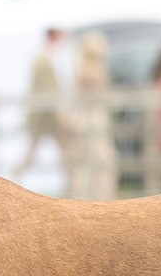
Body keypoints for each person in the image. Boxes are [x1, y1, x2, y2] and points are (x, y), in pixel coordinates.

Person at [15, 26, 76, 189]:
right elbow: (47, 90)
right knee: (62, 152)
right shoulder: (43, 59)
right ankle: (73, 187)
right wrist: (60, 114)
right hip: (46, 116)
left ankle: (73, 186)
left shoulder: (45, 58)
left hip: (46, 115)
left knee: (62, 153)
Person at [70, 32, 118, 199]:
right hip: (92, 120)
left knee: (90, 162)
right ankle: (101, 197)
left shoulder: (83, 70)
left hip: (89, 119)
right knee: (100, 161)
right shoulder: (91, 72)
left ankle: (95, 196)